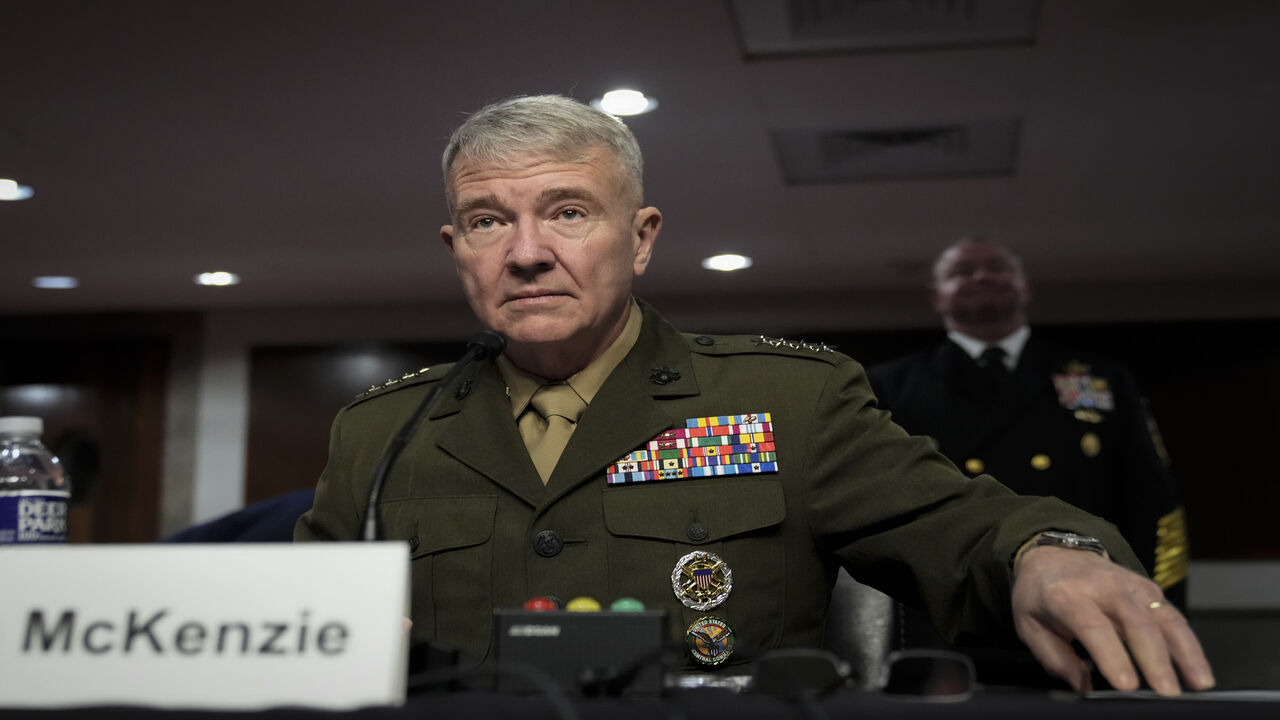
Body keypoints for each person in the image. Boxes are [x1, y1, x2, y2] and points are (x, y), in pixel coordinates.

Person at [295, 95, 1212, 696]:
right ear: (457, 247)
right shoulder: (382, 432)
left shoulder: (784, 402)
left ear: (642, 236)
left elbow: (967, 528)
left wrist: (1050, 553)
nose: (527, 250)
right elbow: (289, 626)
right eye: (489, 221)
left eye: (569, 211)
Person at [868, 236, 1189, 685]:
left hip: (1086, 620)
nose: (981, 276)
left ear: (1026, 286)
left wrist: (1156, 605)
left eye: (996, 267)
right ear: (935, 295)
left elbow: (1154, 505)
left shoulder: (1100, 379)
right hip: (943, 629)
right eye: (963, 271)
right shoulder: (887, 387)